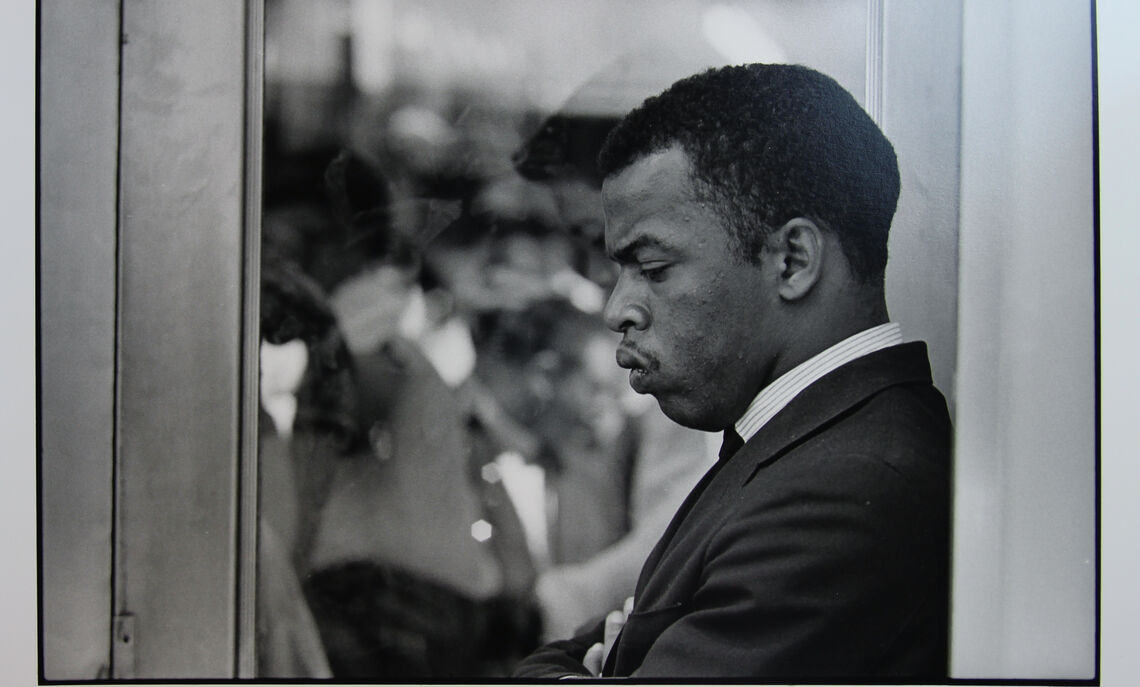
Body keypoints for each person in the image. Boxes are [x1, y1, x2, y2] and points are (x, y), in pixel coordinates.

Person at [511, 63, 952, 680]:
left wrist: (610, 663)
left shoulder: (840, 489)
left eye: (654, 267)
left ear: (793, 260)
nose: (617, 310)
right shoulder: (797, 443)